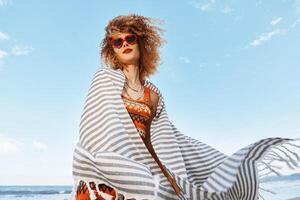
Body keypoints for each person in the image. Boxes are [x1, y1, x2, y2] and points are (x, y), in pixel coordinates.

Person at [70, 14, 300, 200]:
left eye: (130, 38)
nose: (124, 44)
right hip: (106, 174)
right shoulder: (104, 78)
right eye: (117, 42)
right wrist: (113, 163)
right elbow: (96, 127)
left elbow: (164, 139)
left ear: (141, 42)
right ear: (112, 49)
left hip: (147, 173)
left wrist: (171, 177)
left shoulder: (153, 94)